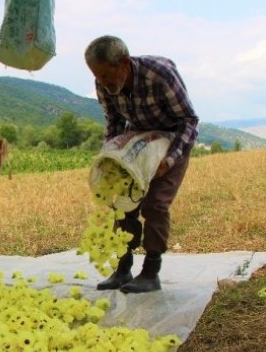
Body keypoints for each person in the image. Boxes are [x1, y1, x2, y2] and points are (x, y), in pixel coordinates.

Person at [84, 35, 199, 293]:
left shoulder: (160, 75)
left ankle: (150, 272)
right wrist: (111, 156)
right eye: (96, 76)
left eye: (105, 74)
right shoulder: (104, 84)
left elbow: (189, 121)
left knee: (155, 205)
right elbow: (114, 122)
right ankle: (123, 269)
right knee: (123, 205)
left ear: (124, 63)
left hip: (172, 141)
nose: (102, 82)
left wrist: (169, 161)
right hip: (138, 143)